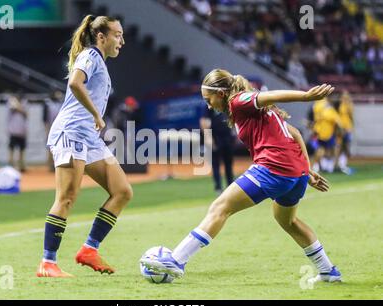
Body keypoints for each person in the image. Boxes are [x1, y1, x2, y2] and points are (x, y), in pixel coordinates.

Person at [141, 69, 342, 284]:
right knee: (288, 221)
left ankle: (177, 260)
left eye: (208, 100)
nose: (208, 106)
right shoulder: (250, 110)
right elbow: (295, 133)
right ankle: (327, 270)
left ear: (220, 93)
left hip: (273, 168)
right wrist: (307, 170)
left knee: (220, 208)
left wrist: (305, 96)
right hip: (295, 173)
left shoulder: (238, 101)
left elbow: (270, 95)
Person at [37, 15, 132, 278]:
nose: (122, 41)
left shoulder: (99, 60)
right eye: (117, 35)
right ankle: (48, 263)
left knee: (122, 191)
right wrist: (97, 114)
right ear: (101, 37)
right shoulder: (90, 55)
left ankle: (89, 249)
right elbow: (75, 83)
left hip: (88, 138)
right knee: (66, 198)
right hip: (71, 133)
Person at [200, 107, 235, 194]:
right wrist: (209, 139)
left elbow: (233, 119)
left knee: (229, 164)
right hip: (215, 139)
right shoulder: (209, 106)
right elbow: (203, 122)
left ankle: (230, 186)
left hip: (227, 138)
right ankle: (218, 187)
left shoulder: (227, 105)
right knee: (216, 164)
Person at [43, 90, 64, 172]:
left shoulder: (60, 103)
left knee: (59, 147)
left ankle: (56, 164)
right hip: (50, 127)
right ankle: (50, 165)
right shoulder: (48, 103)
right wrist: (47, 129)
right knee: (50, 147)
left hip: (60, 128)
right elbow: (45, 119)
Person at [7, 95, 28, 173]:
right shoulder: (11, 101)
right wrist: (17, 105)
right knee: (11, 149)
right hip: (13, 131)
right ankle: (10, 165)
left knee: (22, 150)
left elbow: (26, 113)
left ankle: (21, 166)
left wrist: (18, 105)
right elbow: (13, 108)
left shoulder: (24, 103)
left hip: (22, 131)